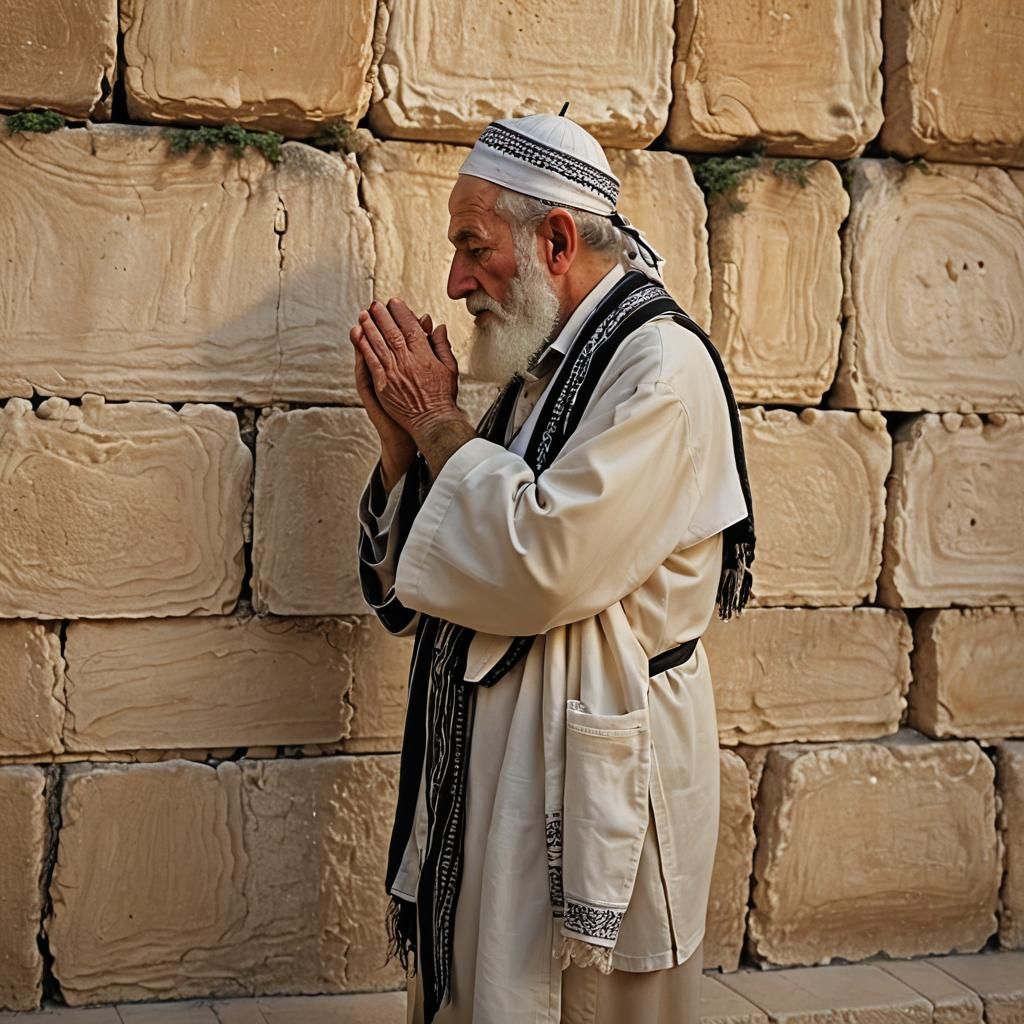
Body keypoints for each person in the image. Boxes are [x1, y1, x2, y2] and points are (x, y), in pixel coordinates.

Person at [351, 112, 755, 1024]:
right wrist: (402, 449)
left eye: (473, 246)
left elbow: (539, 563)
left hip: (589, 782)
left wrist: (440, 425)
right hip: (501, 780)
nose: (456, 282)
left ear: (558, 240)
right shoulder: (544, 369)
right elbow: (441, 573)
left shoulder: (659, 369)